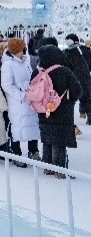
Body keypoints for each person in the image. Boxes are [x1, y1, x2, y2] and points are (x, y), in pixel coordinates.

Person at [34, 45, 83, 177]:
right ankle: (59, 170)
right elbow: (77, 90)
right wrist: (69, 101)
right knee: (59, 141)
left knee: (47, 138)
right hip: (63, 111)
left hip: (43, 110)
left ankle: (47, 167)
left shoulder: (38, 72)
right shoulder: (64, 71)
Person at [0, 37, 41, 165]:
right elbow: (6, 85)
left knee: (33, 125)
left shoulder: (26, 61)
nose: (24, 50)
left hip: (30, 100)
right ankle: (16, 152)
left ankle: (33, 151)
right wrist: (21, 95)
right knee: (17, 126)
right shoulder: (8, 64)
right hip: (17, 102)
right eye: (22, 48)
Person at [64, 34, 91, 125]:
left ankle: (69, 120)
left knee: (71, 99)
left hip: (74, 78)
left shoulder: (68, 53)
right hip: (84, 77)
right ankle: (85, 113)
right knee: (86, 97)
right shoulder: (84, 50)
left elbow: (66, 66)